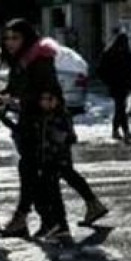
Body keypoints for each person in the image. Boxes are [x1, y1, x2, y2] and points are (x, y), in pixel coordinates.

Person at [0, 19, 107, 237]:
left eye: (15, 37)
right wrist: (4, 95)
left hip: (48, 127)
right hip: (33, 124)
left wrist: (14, 101)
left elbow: (46, 93)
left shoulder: (39, 59)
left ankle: (41, 220)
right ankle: (54, 221)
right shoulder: (22, 60)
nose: (10, 42)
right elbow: (17, 87)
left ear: (26, 38)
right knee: (47, 172)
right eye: (7, 38)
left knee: (45, 172)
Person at [32, 89, 76, 244]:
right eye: (42, 99)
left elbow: (69, 138)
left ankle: (61, 227)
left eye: (47, 99)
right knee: (42, 195)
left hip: (56, 161)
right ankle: (51, 224)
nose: (43, 102)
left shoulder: (61, 116)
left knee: (53, 196)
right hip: (46, 161)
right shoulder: (44, 115)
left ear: (55, 100)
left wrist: (55, 138)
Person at [98, 30, 131, 141]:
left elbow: (101, 70)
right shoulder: (126, 53)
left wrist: (108, 80)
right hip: (122, 85)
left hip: (115, 85)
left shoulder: (110, 52)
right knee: (121, 108)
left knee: (120, 108)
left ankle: (119, 131)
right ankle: (123, 131)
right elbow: (128, 72)